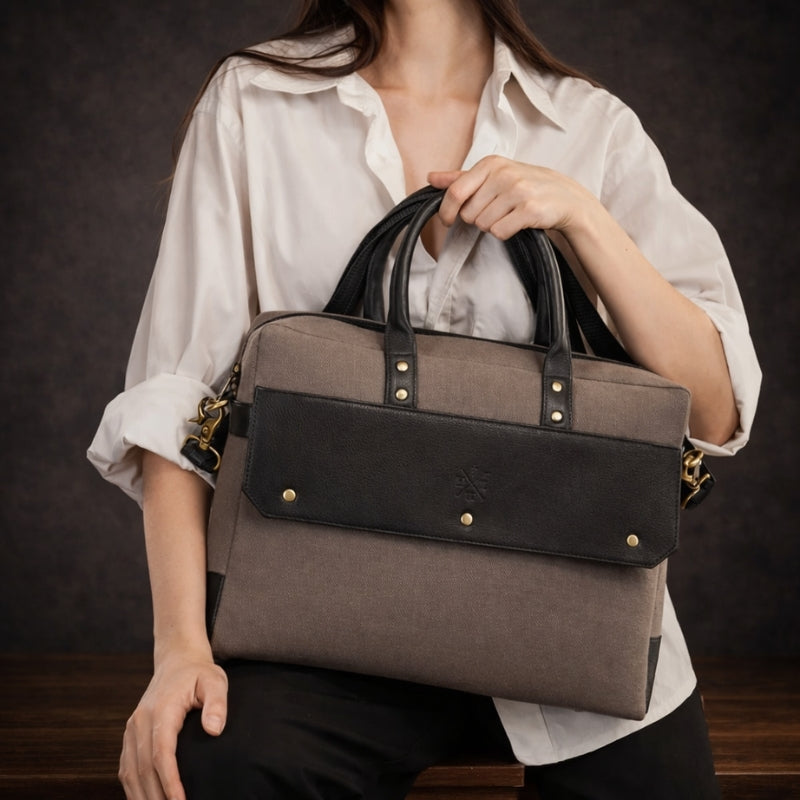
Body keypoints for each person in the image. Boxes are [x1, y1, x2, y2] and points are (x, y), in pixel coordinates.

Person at [88, 1, 761, 798]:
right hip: (317, 630)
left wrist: (582, 218)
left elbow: (714, 412)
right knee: (212, 766)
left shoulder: (592, 126)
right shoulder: (253, 101)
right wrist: (181, 654)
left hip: (577, 639)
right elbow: (176, 404)